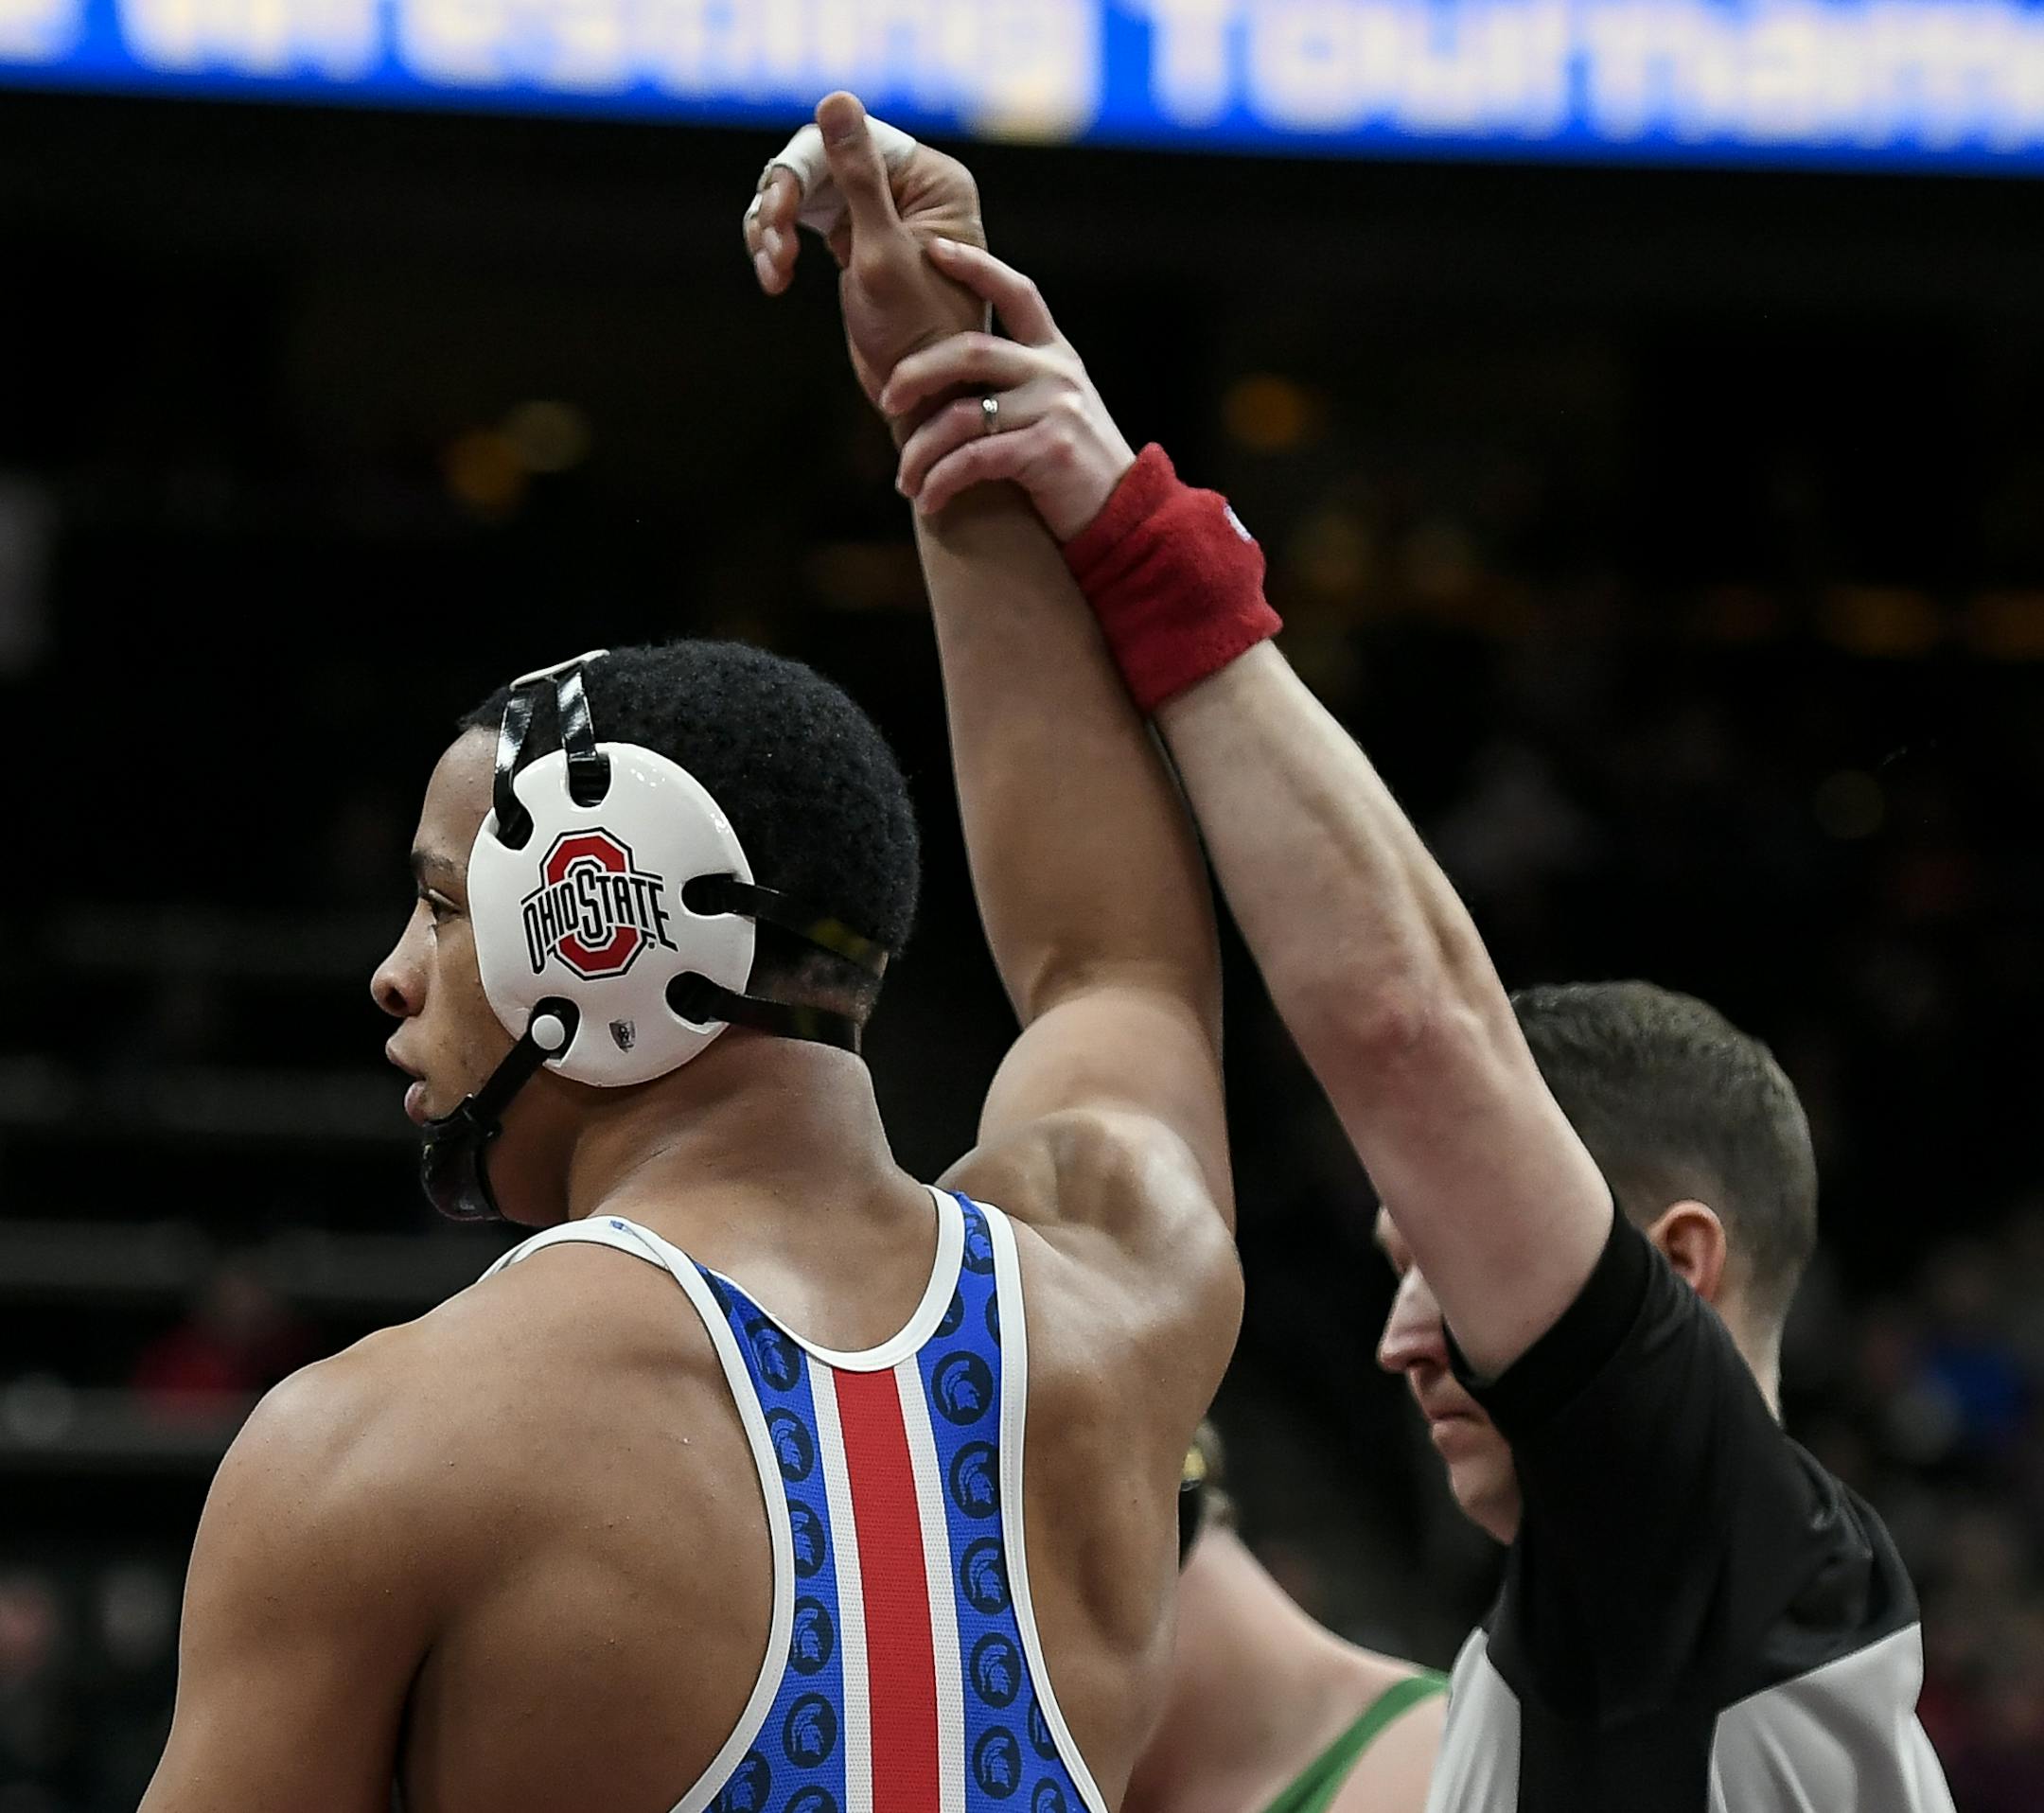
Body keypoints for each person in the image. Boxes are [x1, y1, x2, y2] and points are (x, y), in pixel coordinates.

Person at [807, 127, 1957, 1809]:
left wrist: (1127, 516)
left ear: (1678, 1270)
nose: (1400, 1340)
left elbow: (1413, 1029)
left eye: (1442, 1266)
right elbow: (1099, 966)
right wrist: (947, 419)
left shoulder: (1722, 1577)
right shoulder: (1583, 1653)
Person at [140, 117, 1243, 1806]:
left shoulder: (384, 1452)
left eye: (441, 906)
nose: (391, 975)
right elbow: (1115, 973)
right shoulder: (1118, 1299)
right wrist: (958, 402)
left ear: (591, 925)